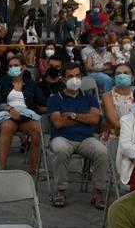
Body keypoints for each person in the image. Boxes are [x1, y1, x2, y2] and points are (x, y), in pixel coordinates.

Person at [46, 72, 108, 208]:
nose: (74, 79)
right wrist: (84, 119)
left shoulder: (89, 98)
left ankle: (98, 192)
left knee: (102, 151)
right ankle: (60, 191)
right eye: (70, 76)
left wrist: (72, 116)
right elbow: (58, 123)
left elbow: (95, 119)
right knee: (61, 150)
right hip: (62, 138)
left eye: (78, 76)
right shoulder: (55, 99)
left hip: (86, 139)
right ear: (63, 78)